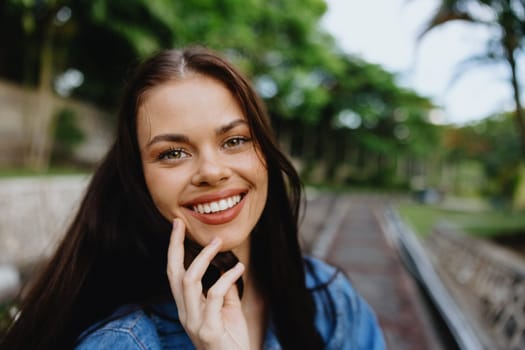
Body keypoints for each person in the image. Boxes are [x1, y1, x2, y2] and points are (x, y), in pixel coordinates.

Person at [1, 47, 385, 350]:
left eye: (234, 141)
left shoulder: (330, 301)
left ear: (265, 153)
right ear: (138, 178)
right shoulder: (122, 342)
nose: (211, 171)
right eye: (173, 153)